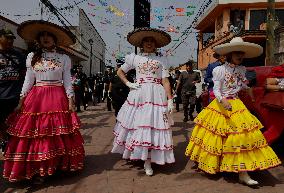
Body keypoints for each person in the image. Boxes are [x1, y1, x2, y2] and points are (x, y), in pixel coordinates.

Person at [185, 37, 281, 186]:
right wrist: (222, 100)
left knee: (241, 137)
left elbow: (241, 83)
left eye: (242, 52)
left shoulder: (242, 69)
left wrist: (248, 89)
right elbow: (216, 89)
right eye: (237, 52)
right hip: (221, 104)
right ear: (229, 54)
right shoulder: (219, 69)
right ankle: (216, 164)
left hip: (236, 104)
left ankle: (243, 173)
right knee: (216, 137)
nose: (240, 55)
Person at [3, 20, 85, 183]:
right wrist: (21, 101)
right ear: (38, 40)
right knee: (37, 135)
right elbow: (28, 80)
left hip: (58, 97)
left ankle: (57, 166)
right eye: (42, 36)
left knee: (57, 135)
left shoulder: (64, 58)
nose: (46, 38)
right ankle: (38, 169)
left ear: (55, 39)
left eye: (49, 35)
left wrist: (70, 100)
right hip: (36, 99)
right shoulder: (32, 57)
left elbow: (67, 81)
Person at [111, 27, 175, 176]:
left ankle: (150, 158)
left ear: (156, 44)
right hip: (139, 94)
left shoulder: (162, 59)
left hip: (156, 95)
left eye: (152, 41)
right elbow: (120, 72)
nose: (149, 43)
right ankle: (141, 155)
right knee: (138, 125)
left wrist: (170, 99)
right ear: (141, 43)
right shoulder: (134, 58)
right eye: (146, 40)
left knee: (153, 125)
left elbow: (165, 80)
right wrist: (128, 83)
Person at [0, 28, 26, 150]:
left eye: (12, 38)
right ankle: (4, 139)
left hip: (14, 96)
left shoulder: (19, 55)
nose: (10, 40)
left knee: (14, 123)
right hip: (0, 96)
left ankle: (10, 143)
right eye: (7, 38)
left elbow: (25, 74)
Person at [261, 64, 284, 144]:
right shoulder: (280, 71)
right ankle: (257, 147)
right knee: (274, 131)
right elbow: (267, 84)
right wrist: (281, 87)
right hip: (280, 108)